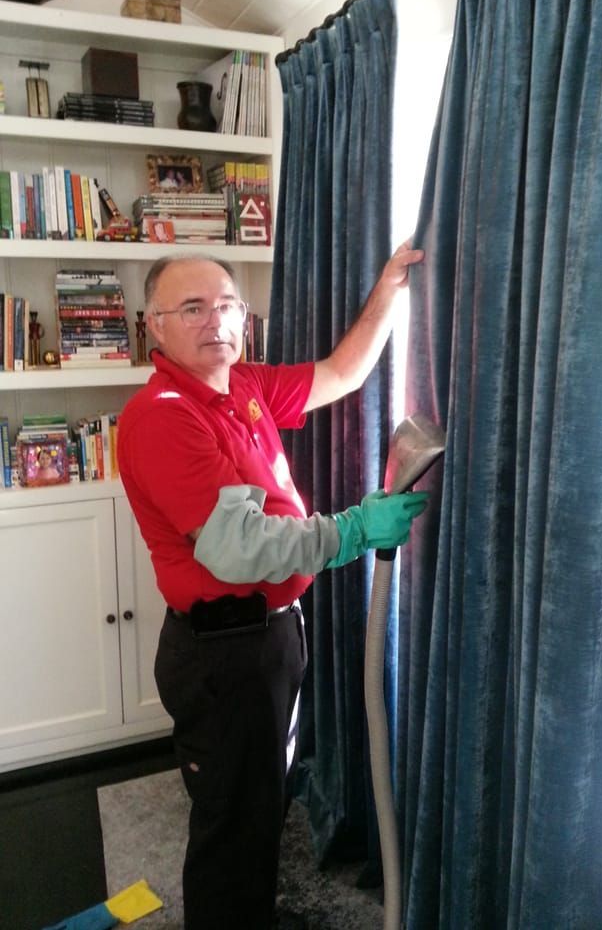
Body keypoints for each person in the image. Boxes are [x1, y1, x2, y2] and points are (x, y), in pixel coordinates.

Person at [116, 244, 428, 930]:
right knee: (231, 820)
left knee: (259, 804)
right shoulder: (162, 415)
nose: (215, 321)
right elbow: (239, 549)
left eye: (227, 305)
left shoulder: (243, 385)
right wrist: (352, 530)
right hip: (223, 654)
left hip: (268, 637)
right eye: (192, 308)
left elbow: (342, 372)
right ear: (154, 326)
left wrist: (389, 290)